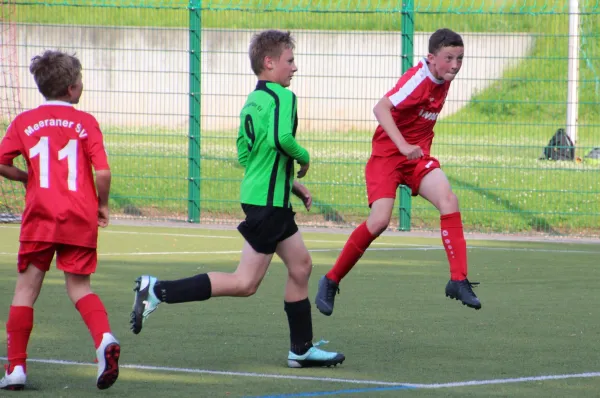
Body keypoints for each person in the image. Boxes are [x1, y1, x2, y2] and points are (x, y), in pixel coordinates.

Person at [130, 30, 345, 368]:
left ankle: (301, 349)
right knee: (245, 283)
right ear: (269, 62)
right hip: (268, 205)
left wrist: (289, 184)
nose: (295, 68)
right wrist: (304, 159)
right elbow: (281, 139)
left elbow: (249, 156)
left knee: (301, 265)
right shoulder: (282, 98)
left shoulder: (253, 100)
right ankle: (158, 290)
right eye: (290, 61)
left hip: (266, 198)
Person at [315, 28, 482, 316]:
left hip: (416, 157)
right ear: (431, 58)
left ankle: (458, 280)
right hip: (388, 156)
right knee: (379, 222)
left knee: (449, 201)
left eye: (460, 58)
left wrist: (412, 149)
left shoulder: (444, 76)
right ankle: (330, 280)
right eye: (449, 58)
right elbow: (380, 108)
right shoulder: (418, 79)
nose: (455, 65)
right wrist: (403, 145)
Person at [0, 50, 120, 390]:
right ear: (71, 89)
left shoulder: (24, 122)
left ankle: (17, 368)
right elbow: (104, 172)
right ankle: (104, 339)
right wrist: (104, 205)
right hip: (78, 217)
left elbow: (1, 160)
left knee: (25, 289)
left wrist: (27, 178)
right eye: (80, 80)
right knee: (80, 287)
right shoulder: (86, 122)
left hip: (40, 217)